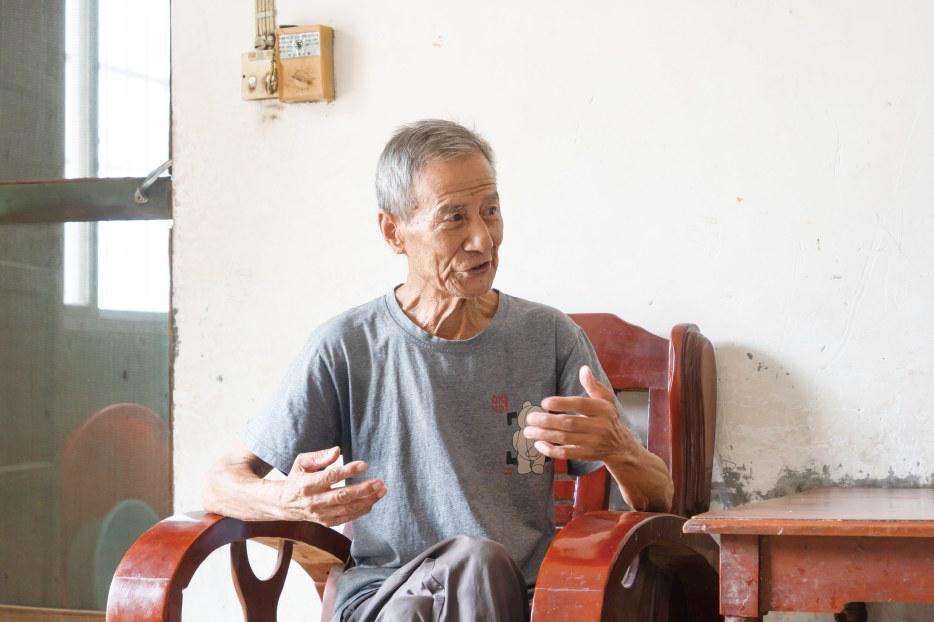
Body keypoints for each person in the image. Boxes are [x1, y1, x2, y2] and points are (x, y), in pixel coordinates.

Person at [202, 119, 673, 621]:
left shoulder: (548, 337)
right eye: (454, 218)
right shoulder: (346, 347)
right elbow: (220, 482)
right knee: (473, 564)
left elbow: (659, 498)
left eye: (490, 211)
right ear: (394, 232)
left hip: (524, 601)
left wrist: (619, 447)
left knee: (481, 566)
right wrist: (288, 500)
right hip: (388, 600)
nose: (482, 239)